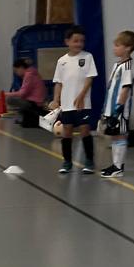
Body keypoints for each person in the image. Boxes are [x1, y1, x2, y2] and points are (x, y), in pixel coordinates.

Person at [51, 25, 97, 173]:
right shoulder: (62, 61)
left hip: (83, 103)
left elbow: (89, 79)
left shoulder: (87, 57)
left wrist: (82, 95)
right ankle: (67, 162)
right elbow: (59, 82)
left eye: (81, 41)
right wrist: (56, 100)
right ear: (67, 42)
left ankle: (89, 161)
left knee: (84, 130)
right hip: (67, 104)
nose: (79, 44)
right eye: (75, 41)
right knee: (67, 132)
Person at [99, 30, 134, 177]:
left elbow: (125, 89)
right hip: (111, 108)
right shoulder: (118, 65)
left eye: (118, 45)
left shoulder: (127, 66)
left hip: (120, 110)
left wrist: (118, 109)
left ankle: (118, 167)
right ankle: (115, 165)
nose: (114, 48)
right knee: (115, 137)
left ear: (128, 48)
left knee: (120, 136)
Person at [6, 56, 47, 125]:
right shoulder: (33, 72)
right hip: (38, 101)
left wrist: (7, 94)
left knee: (9, 99)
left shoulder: (29, 75)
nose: (16, 73)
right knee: (18, 102)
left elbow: (22, 93)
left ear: (21, 68)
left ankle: (28, 116)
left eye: (16, 70)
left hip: (35, 103)